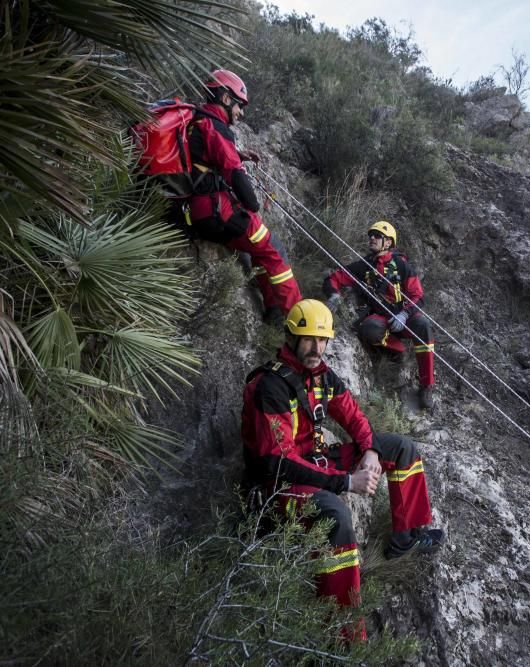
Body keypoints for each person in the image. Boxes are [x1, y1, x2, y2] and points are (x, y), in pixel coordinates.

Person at [241, 299, 444, 634]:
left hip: (313, 464)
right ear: (291, 337)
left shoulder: (321, 377)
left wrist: (371, 450)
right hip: (276, 486)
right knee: (337, 516)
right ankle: (344, 635)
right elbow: (280, 463)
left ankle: (405, 537)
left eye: (322, 340)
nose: (316, 348)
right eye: (309, 339)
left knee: (401, 447)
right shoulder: (271, 387)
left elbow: (354, 416)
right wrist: (346, 481)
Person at [187, 69, 301, 319]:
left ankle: (273, 311)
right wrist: (252, 204)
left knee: (259, 248)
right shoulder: (216, 125)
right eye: (239, 105)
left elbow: (204, 155)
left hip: (194, 211)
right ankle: (298, 318)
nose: (241, 112)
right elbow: (235, 174)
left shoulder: (196, 120)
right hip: (214, 213)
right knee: (271, 247)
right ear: (226, 99)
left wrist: (239, 154)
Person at [322, 221, 436, 410]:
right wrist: (333, 294)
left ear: (388, 242)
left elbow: (418, 297)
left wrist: (405, 314)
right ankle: (398, 350)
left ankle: (426, 386)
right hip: (382, 319)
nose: (372, 238)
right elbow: (335, 278)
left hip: (403, 315)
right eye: (371, 235)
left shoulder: (402, 265)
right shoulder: (365, 266)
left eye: (377, 236)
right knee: (369, 329)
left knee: (424, 326)